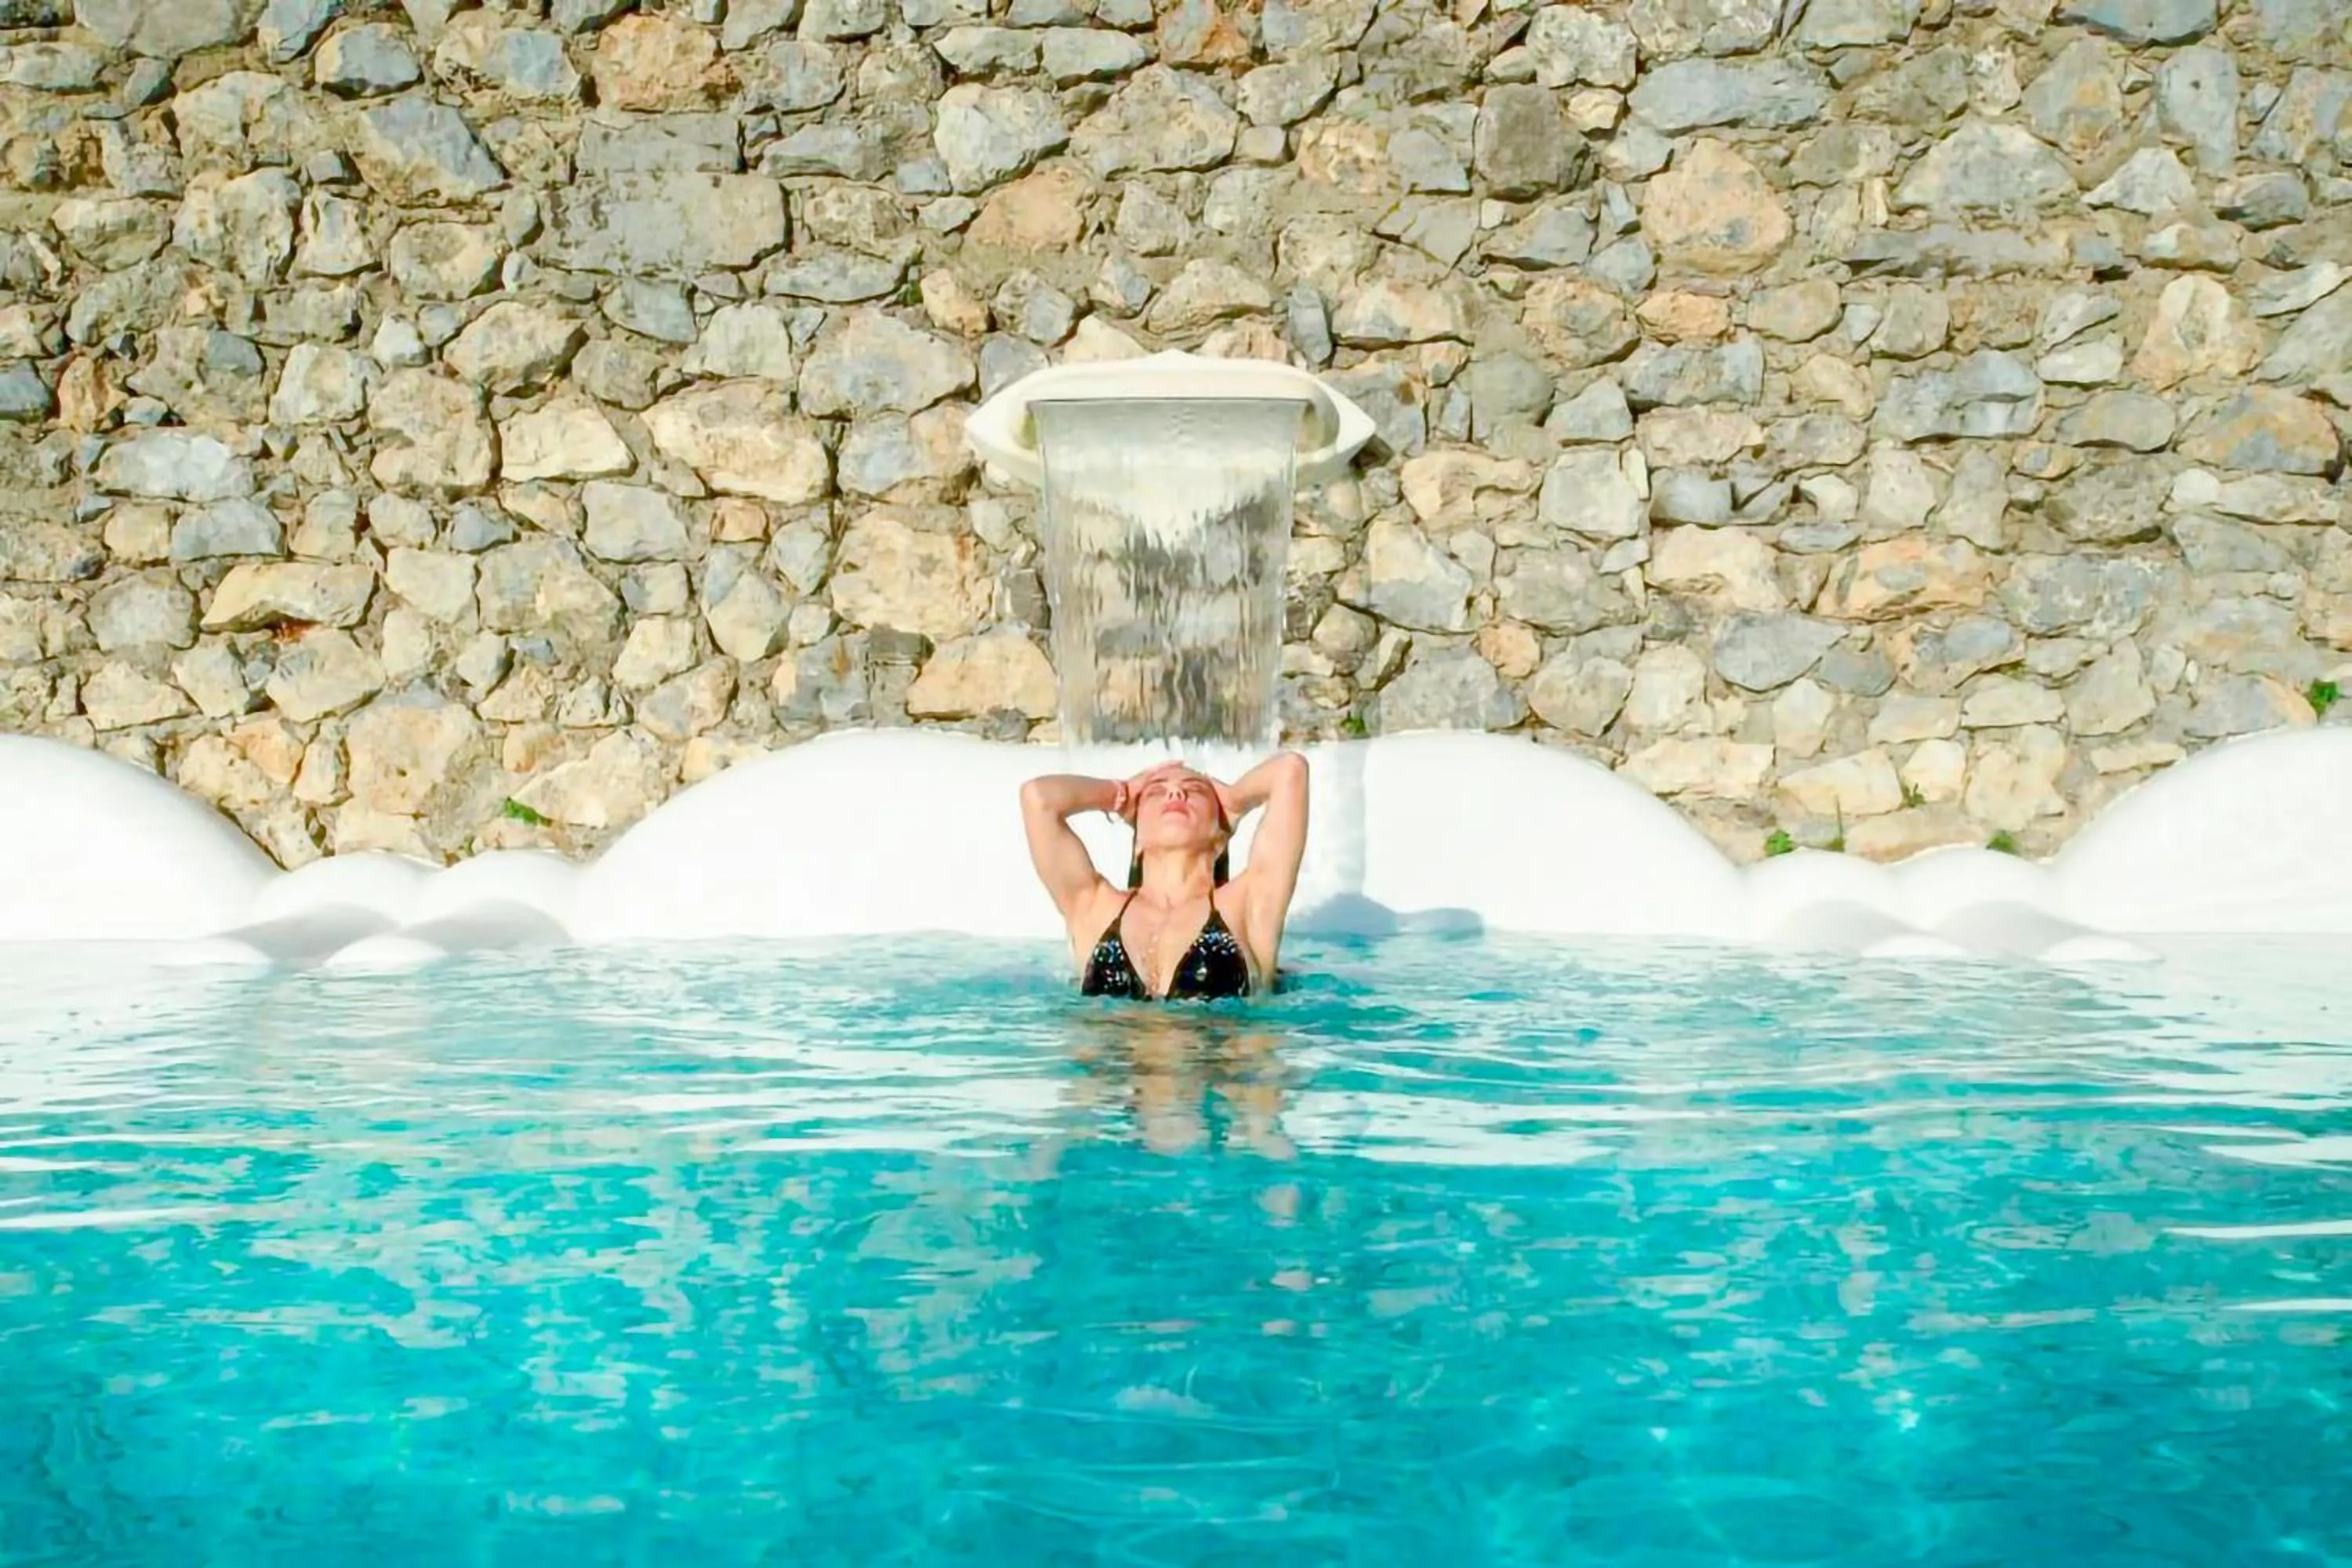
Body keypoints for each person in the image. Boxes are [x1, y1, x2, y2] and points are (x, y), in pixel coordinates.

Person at [1019, 753, 1309, 1000]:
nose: (1175, 795)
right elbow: (1038, 798)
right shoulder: (1096, 908)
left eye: (1195, 791)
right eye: (1156, 793)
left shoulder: (1247, 904)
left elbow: (1289, 770)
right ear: (1137, 837)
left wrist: (1234, 801)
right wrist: (1119, 794)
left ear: (1221, 836)